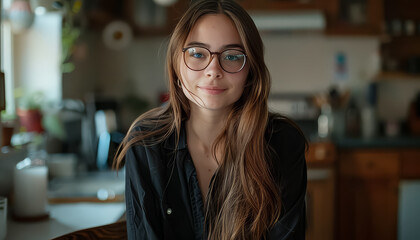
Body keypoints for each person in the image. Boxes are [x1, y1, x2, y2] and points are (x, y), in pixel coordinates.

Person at [114, 0, 307, 239]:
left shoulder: (282, 143)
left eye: (233, 56)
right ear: (176, 65)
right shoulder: (147, 143)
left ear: (251, 71)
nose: (213, 69)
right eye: (197, 53)